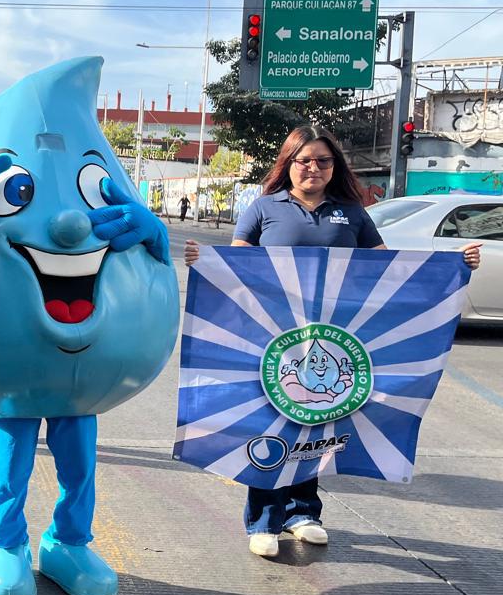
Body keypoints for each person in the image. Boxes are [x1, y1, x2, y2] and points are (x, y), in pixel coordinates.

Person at [184, 125, 481, 559]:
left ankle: (303, 514)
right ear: (289, 164)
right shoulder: (264, 209)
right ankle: (263, 520)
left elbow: (388, 270)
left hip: (335, 338)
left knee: (319, 420)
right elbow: (236, 265)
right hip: (274, 340)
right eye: (305, 160)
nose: (314, 168)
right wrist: (202, 261)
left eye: (323, 161)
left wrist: (454, 264)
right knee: (271, 422)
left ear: (333, 167)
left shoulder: (352, 213)